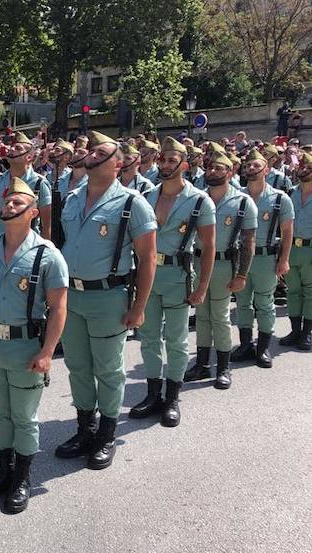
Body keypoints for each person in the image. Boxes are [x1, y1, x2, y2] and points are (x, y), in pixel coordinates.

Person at [0, 178, 67, 514]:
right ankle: (2, 471)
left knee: (24, 417)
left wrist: (47, 352)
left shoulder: (47, 255)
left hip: (25, 347)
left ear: (34, 212)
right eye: (7, 202)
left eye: (18, 202)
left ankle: (22, 477)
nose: (9, 206)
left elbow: (59, 307)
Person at [55, 131, 157, 469]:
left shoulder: (132, 203)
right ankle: (86, 428)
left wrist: (139, 307)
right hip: (72, 296)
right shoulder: (71, 199)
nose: (91, 154)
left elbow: (147, 258)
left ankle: (107, 434)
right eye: (91, 150)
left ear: (117, 164)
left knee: (109, 370)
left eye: (101, 151)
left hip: (108, 297)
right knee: (78, 367)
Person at [130, 138, 215, 427]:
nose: (165, 165)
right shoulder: (146, 196)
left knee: (177, 341)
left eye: (171, 160)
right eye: (162, 160)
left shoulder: (199, 200)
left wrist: (203, 287)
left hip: (178, 276)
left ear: (184, 165)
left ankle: (172, 397)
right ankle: (153, 394)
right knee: (149, 337)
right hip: (148, 274)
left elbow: (209, 246)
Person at [184, 151, 257, 389]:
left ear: (230, 171)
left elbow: (248, 242)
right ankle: (202, 363)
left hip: (224, 265)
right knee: (202, 316)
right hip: (197, 263)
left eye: (218, 168)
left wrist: (242, 274)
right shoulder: (199, 199)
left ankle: (224, 367)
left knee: (221, 317)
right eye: (210, 167)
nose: (212, 172)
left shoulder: (243, 202)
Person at [231, 149, 293, 367]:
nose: (251, 169)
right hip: (241, 258)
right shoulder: (237, 196)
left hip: (266, 257)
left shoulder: (279, 198)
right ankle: (246, 344)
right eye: (248, 166)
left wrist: (284, 259)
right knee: (243, 302)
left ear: (266, 169)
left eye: (256, 166)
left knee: (265, 303)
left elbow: (287, 232)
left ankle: (263, 347)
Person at [281, 152, 312, 350]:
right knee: (292, 291)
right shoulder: (289, 193)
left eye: (308, 167)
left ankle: (306, 333)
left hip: (310, 249)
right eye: (301, 167)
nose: (304, 170)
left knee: (310, 292)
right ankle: (295, 330)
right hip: (291, 248)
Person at [0, 132, 52, 239]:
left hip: (27, 245)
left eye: (18, 148)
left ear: (29, 157)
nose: (11, 149)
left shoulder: (39, 183)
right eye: (11, 147)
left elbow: (47, 223)